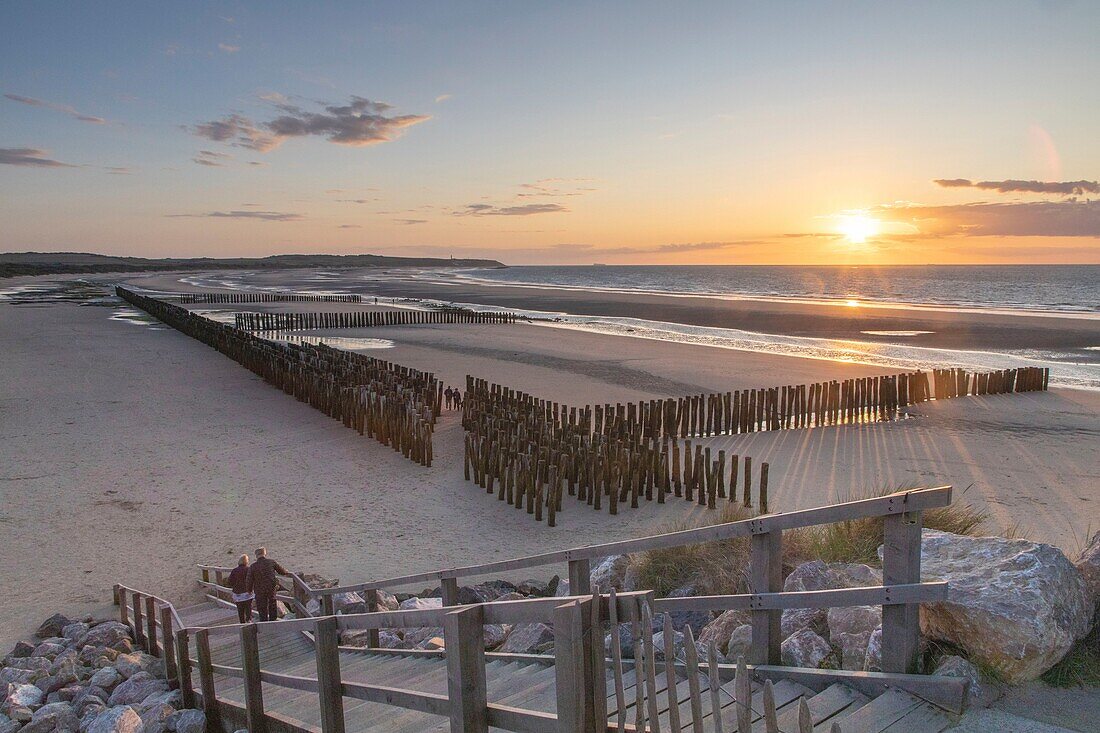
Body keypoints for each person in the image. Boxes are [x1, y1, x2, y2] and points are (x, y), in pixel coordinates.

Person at [249, 547, 290, 622]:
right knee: (272, 604)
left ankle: (264, 622)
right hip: (270, 588)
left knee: (261, 606)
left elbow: (249, 579)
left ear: (256, 555)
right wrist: (286, 571)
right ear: (264, 553)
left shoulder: (253, 566)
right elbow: (282, 571)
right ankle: (272, 621)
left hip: (259, 589)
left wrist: (249, 590)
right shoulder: (271, 562)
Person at [227, 554, 254, 623]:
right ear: (246, 561)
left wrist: (234, 586)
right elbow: (252, 580)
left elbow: (229, 582)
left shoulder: (234, 570)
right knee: (248, 607)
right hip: (247, 592)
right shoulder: (249, 569)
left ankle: (242, 622)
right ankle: (249, 620)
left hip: (237, 593)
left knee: (240, 609)